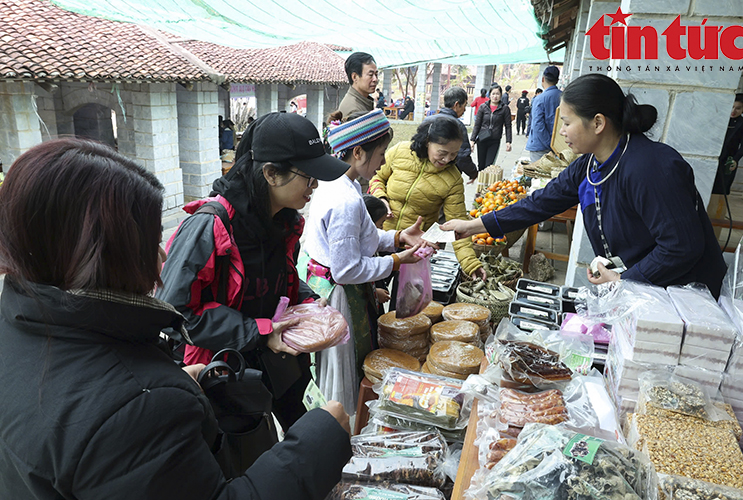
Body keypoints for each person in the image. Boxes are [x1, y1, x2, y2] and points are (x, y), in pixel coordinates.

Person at [0, 138, 352, 499]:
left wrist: (171, 381)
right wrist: (317, 443)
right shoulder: (140, 407)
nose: (164, 253)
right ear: (110, 257)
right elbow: (180, 311)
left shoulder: (21, 323)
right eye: (152, 241)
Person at [442, 73, 727, 298]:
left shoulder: (652, 167)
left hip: (682, 299)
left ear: (598, 123)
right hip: (640, 289)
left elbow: (682, 247)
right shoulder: (590, 164)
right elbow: (539, 203)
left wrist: (623, 280)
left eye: (566, 122)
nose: (562, 131)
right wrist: (472, 226)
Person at [157, 113, 351, 437]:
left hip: (281, 362)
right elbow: (175, 313)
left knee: (311, 436)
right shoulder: (210, 227)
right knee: (253, 458)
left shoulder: (285, 222)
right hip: (225, 372)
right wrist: (259, 331)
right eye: (309, 176)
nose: (315, 186)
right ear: (272, 174)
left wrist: (309, 302)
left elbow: (280, 278)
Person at [301, 110, 430, 412]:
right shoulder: (345, 200)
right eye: (381, 154)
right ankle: (341, 423)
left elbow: (364, 237)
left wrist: (398, 237)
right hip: (340, 294)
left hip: (327, 286)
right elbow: (346, 270)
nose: (384, 162)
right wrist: (396, 262)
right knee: (342, 371)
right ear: (358, 152)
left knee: (334, 367)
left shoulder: (334, 182)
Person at [370, 116, 486, 280]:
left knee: (404, 301)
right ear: (427, 142)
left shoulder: (452, 180)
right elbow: (376, 177)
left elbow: (458, 225)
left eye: (454, 154)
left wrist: (470, 264)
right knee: (375, 293)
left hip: (416, 246)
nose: (447, 160)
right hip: (381, 236)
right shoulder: (400, 152)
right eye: (442, 153)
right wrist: (381, 199)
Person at [424, 86, 478, 181]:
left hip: (425, 173)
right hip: (447, 176)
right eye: (464, 106)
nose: (465, 110)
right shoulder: (458, 126)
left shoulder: (427, 120)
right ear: (457, 105)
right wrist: (473, 173)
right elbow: (463, 156)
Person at [711, 93, 743, 197]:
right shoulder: (719, 120)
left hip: (728, 160)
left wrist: (735, 159)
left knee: (721, 190)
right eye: (732, 106)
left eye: (738, 108)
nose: (733, 111)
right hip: (713, 156)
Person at [470, 86, 512, 171]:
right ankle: (481, 183)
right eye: (493, 94)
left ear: (500, 95)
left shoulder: (505, 108)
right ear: (490, 95)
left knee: (489, 166)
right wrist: (472, 140)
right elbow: (477, 124)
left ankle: (487, 183)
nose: (495, 96)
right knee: (481, 166)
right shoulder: (483, 107)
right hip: (482, 139)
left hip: (494, 140)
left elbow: (508, 126)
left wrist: (508, 141)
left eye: (497, 94)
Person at [526, 66, 562, 162]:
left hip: (540, 147)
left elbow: (538, 124)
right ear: (557, 80)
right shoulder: (564, 97)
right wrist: (554, 145)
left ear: (543, 79)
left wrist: (549, 144)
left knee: (538, 176)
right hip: (559, 147)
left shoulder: (539, 99)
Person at [339, 52, 378, 119]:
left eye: (376, 74)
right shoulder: (354, 110)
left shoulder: (361, 101)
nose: (375, 79)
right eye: (370, 75)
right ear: (354, 77)